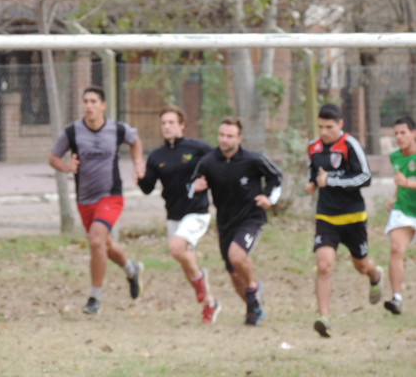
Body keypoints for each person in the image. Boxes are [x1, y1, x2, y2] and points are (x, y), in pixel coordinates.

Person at [49, 86, 145, 315]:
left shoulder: (117, 129)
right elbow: (53, 157)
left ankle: (94, 298)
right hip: (85, 199)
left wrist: (138, 163)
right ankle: (132, 270)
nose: (89, 105)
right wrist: (66, 166)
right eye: (85, 101)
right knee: (104, 244)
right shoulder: (72, 132)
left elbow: (135, 141)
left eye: (93, 101)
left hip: (111, 196)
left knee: (95, 241)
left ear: (103, 105)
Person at [191, 117, 282, 326]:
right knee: (233, 274)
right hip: (225, 222)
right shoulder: (208, 162)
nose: (224, 139)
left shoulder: (253, 160)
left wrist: (269, 197)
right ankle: (254, 309)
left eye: (229, 136)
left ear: (239, 138)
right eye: (221, 135)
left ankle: (252, 287)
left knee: (237, 256)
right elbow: (193, 185)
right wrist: (196, 188)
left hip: (251, 218)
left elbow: (276, 177)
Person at [305, 103, 383, 338]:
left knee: (361, 266)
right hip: (326, 217)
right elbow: (314, 173)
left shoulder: (350, 145)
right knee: (324, 265)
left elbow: (365, 177)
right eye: (320, 127)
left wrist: (331, 181)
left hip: (353, 218)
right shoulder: (314, 148)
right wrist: (311, 184)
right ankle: (324, 319)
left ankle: (375, 275)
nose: (324, 132)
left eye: (329, 127)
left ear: (340, 124)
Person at [137, 106, 220, 323]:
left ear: (182, 125)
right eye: (163, 123)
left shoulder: (197, 148)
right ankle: (210, 302)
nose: (167, 127)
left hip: (197, 211)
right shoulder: (157, 156)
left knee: (175, 248)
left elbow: (219, 162)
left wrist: (205, 180)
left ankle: (200, 280)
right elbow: (147, 188)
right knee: (185, 261)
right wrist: (139, 177)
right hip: (174, 213)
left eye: (171, 122)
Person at [383, 116, 416, 315]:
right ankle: (396, 299)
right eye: (396, 133)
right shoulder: (395, 156)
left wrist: (408, 184)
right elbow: (400, 180)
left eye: (403, 132)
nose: (399, 137)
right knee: (396, 248)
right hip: (403, 210)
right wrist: (394, 197)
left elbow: (406, 181)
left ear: (414, 133)